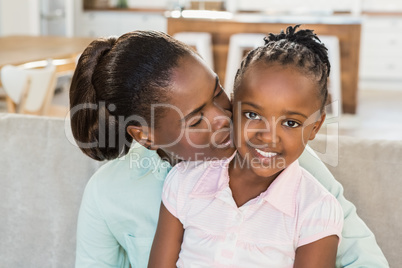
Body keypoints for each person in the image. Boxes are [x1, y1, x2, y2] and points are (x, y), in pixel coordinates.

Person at [69, 30, 389, 267]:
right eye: (196, 119)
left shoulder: (275, 154)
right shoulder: (107, 193)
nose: (223, 119)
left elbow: (364, 259)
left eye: (217, 90)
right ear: (145, 135)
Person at [148, 25, 343, 268]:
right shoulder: (184, 182)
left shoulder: (316, 209)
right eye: (252, 114)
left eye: (290, 122)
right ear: (233, 104)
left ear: (315, 126)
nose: (268, 137)